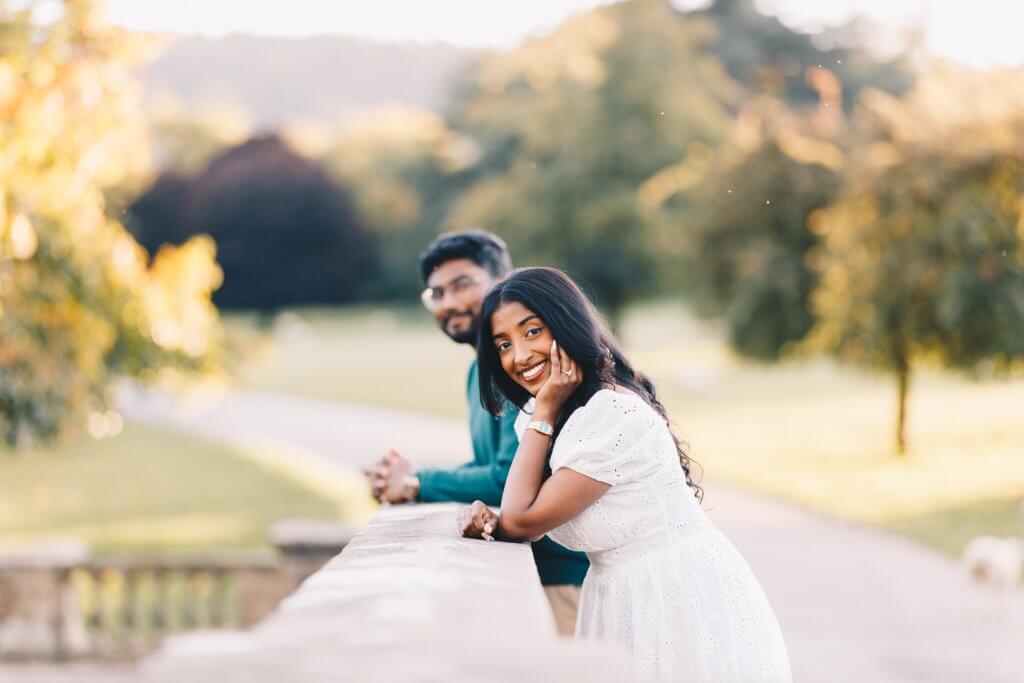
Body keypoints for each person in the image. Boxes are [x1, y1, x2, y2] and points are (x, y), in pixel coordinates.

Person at [459, 267, 792, 682]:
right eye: (503, 343)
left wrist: (542, 413)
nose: (519, 355)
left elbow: (522, 520)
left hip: (674, 593)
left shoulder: (609, 413)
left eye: (532, 332)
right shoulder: (555, 413)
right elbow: (523, 513)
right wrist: (498, 518)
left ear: (566, 323)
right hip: (616, 593)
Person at [366, 231, 589, 635]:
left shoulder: (528, 368)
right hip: (536, 572)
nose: (449, 303)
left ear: (502, 279)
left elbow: (510, 476)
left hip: (569, 578)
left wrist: (417, 484)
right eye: (436, 293)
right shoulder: (480, 372)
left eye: (462, 285)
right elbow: (493, 464)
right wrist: (412, 478)